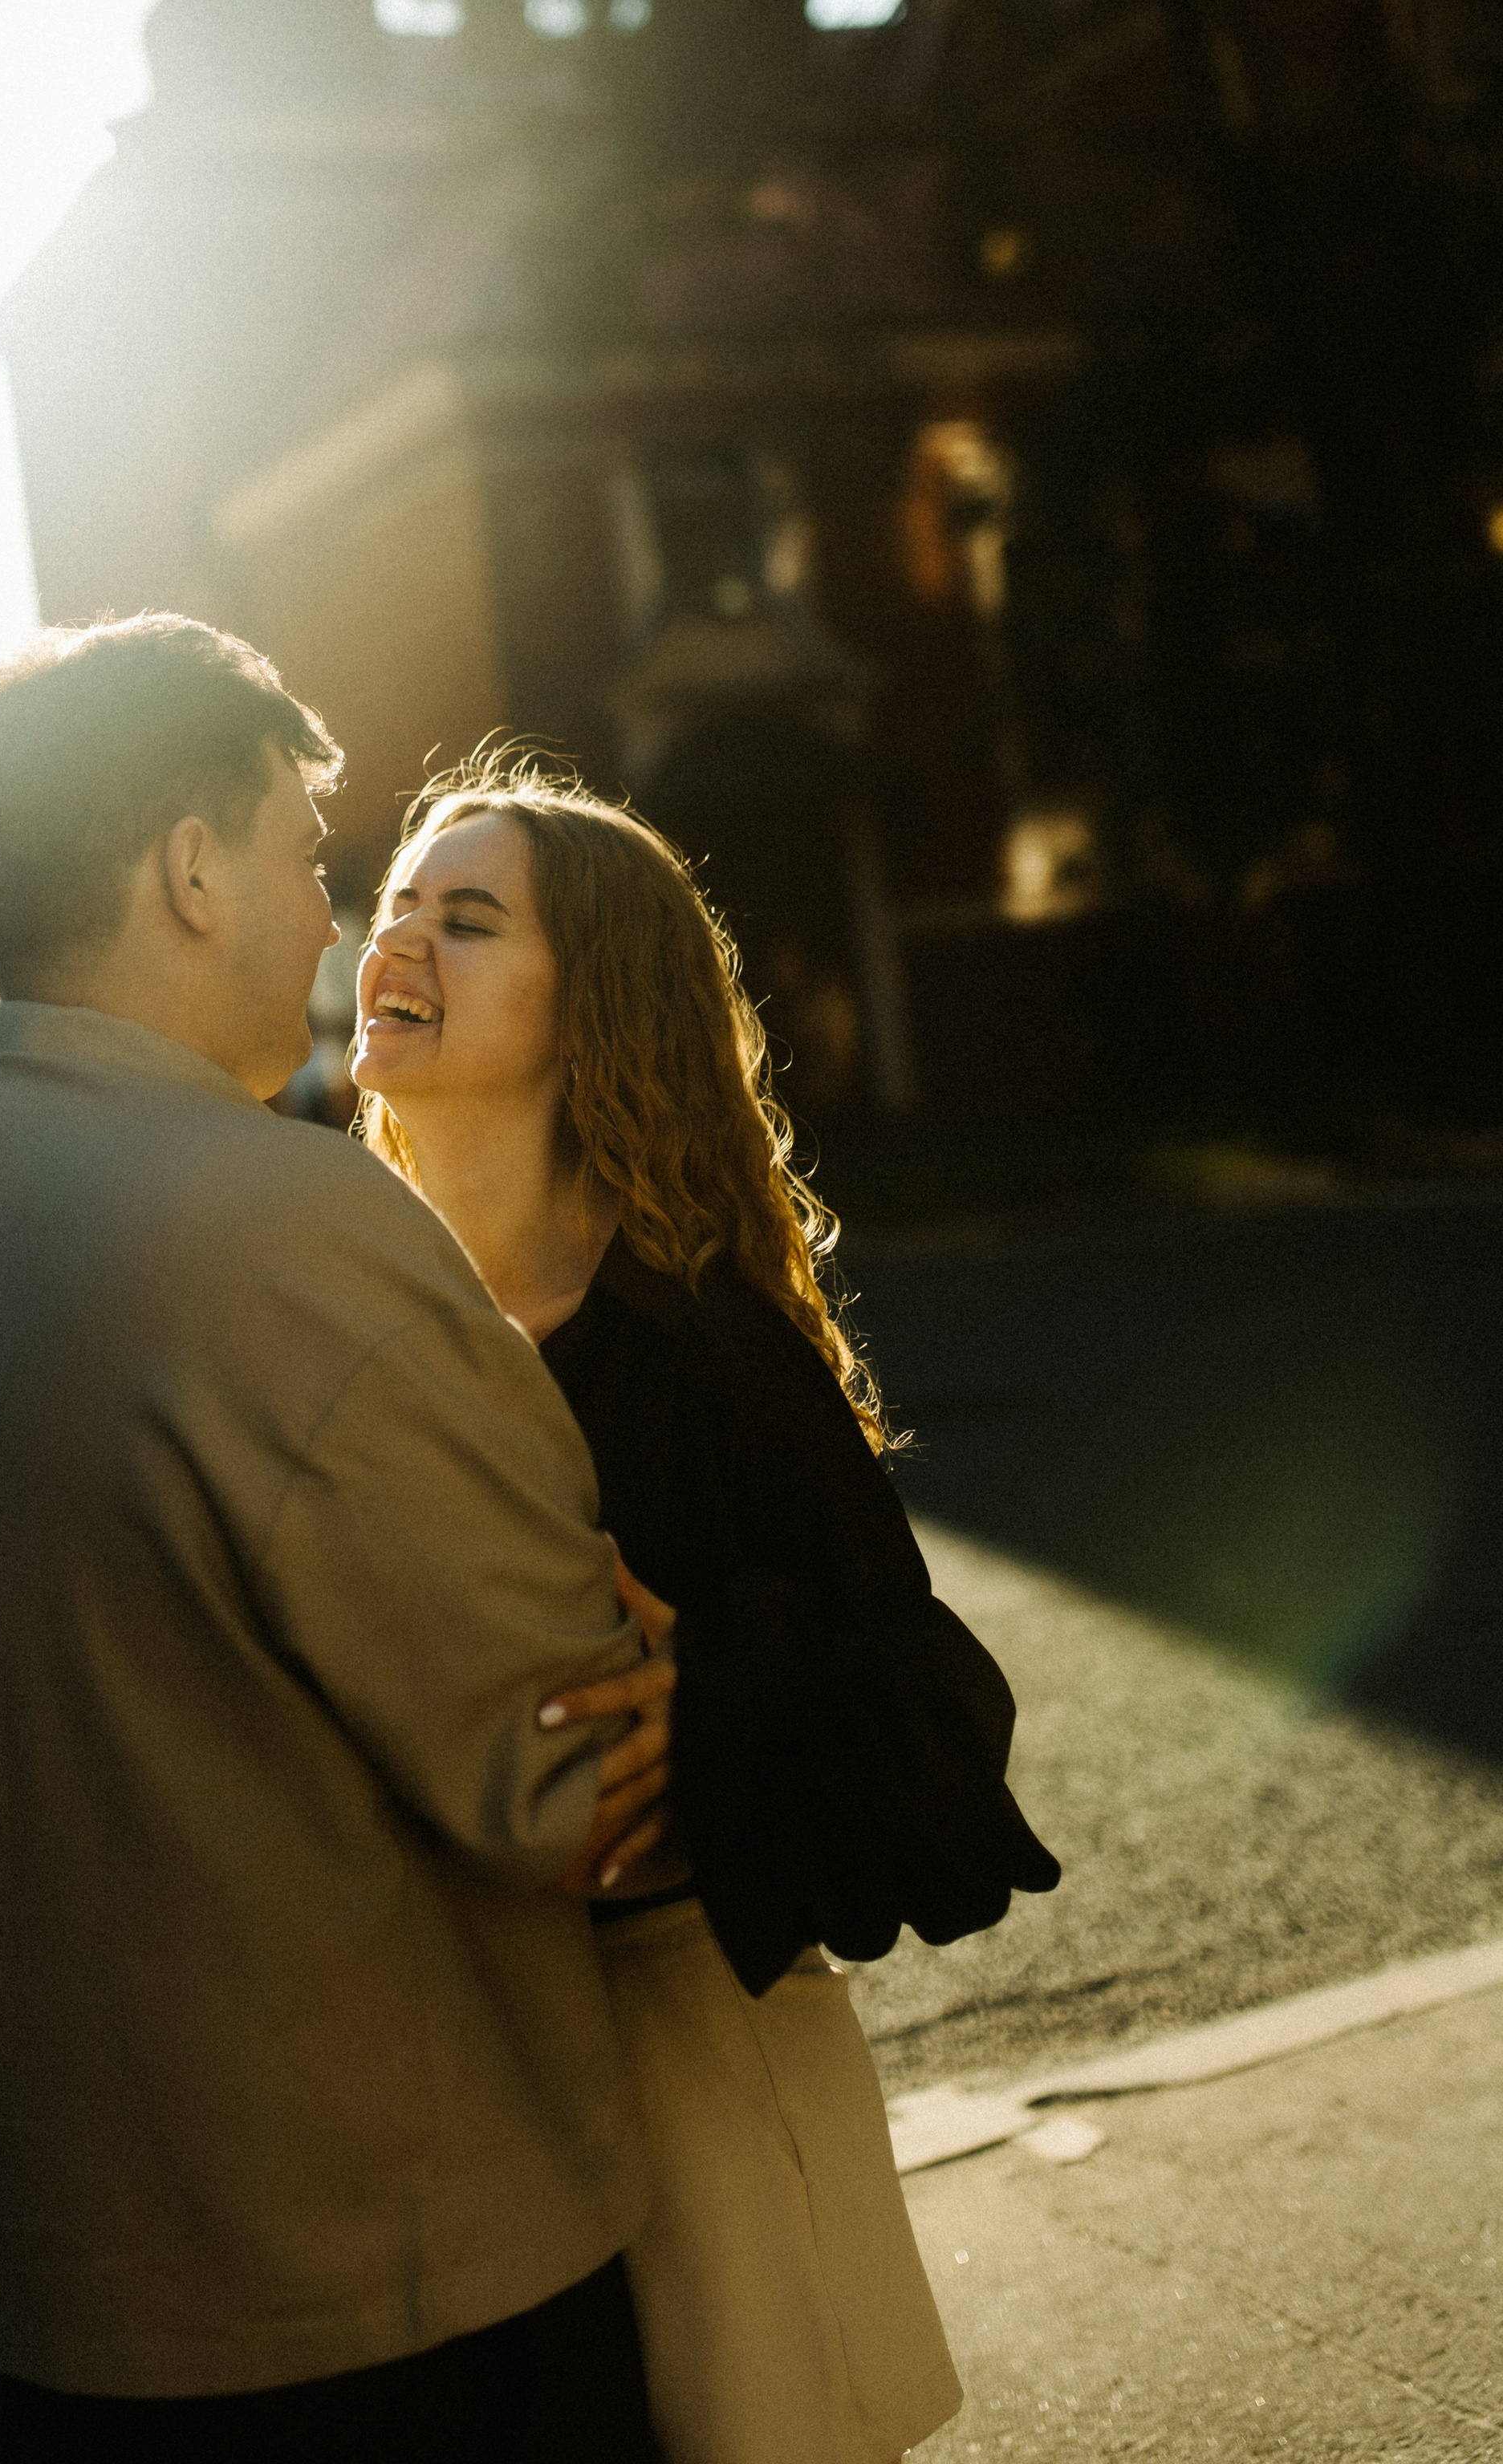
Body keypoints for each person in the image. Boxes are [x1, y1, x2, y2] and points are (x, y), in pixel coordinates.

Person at [0, 617, 678, 2464]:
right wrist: (697, 1677)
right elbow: (579, 1786)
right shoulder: (285, 1231)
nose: (323, 918)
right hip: (352, 2320)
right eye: (305, 860)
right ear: (191, 870)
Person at [351, 754, 1062, 2464]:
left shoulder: (700, 1341)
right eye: (391, 907)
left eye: (467, 919)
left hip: (693, 2074)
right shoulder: (329, 1310)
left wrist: (723, 1696)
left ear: (589, 1003)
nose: (399, 943)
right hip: (444, 2099)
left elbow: (937, 1731)